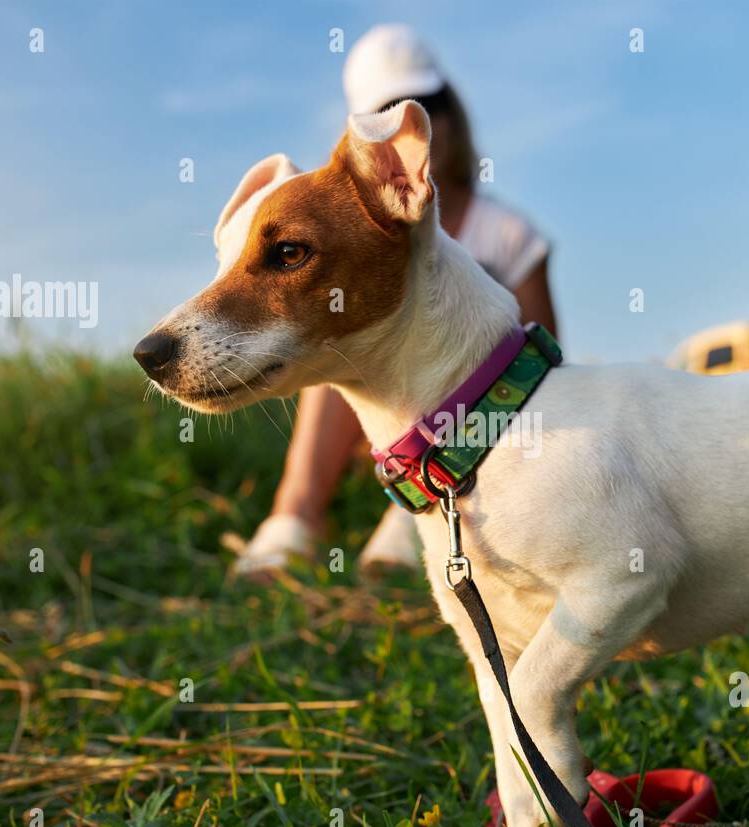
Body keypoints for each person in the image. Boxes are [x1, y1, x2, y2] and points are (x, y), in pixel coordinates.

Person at [233, 24, 559, 581]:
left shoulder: (508, 235)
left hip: (476, 418)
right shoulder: (351, 232)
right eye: (383, 110)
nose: (405, 120)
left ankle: (413, 507)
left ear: (447, 112)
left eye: (423, 103)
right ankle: (297, 513)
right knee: (342, 332)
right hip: (376, 411)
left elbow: (541, 362)